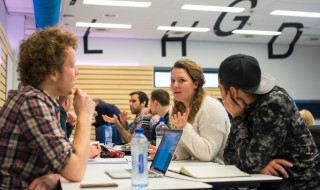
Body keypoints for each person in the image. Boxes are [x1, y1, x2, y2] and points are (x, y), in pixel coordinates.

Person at [0, 26, 95, 189]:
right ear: (53, 72)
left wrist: (54, 174)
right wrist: (85, 115)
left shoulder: (38, 100)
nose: (77, 72)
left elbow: (58, 155)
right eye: (72, 66)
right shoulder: (33, 104)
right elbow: (76, 171)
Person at [219, 54, 320, 189]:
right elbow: (228, 155)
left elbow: (250, 162)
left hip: (299, 184)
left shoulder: (274, 103)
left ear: (232, 91)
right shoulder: (242, 107)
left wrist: (238, 118)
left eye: (220, 86)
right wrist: (258, 166)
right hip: (272, 182)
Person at [149, 59, 230, 163]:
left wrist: (184, 128)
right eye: (172, 80)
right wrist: (169, 153)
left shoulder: (211, 107)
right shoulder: (176, 108)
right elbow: (185, 151)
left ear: (196, 84)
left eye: (181, 80)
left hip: (219, 173)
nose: (175, 85)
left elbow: (207, 155)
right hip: (199, 170)